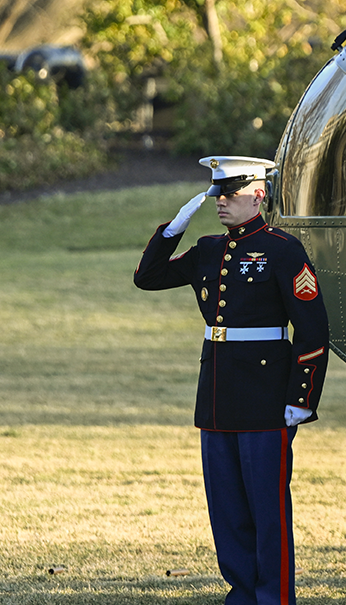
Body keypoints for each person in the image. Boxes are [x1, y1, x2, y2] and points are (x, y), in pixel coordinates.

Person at [134, 156, 329, 605]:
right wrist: (173, 229)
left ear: (258, 195)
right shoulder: (206, 249)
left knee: (267, 511)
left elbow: (314, 330)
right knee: (227, 510)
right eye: (217, 193)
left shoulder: (283, 250)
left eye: (231, 193)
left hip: (266, 399)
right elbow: (147, 278)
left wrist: (301, 398)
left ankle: (273, 597)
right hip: (218, 397)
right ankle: (241, 594)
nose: (220, 201)